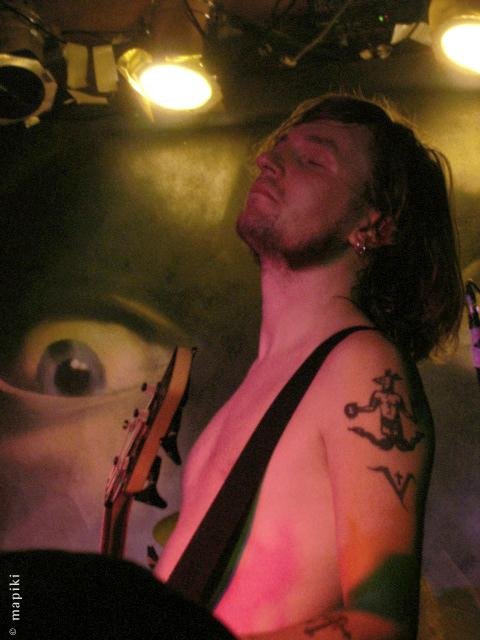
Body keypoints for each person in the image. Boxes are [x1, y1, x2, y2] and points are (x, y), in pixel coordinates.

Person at [155, 93, 464, 639]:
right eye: (278, 148)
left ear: (373, 224)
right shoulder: (265, 377)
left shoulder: (362, 368)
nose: (268, 161)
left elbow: (380, 626)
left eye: (312, 159)